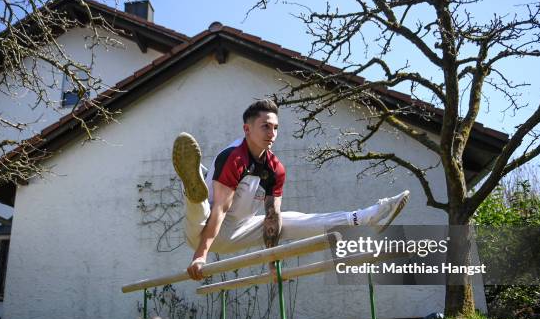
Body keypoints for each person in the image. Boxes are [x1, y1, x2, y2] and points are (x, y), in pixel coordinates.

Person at [172, 99, 410, 281]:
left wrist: (272, 260)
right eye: (265, 127)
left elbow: (272, 220)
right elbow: (221, 210)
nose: (272, 134)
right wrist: (201, 256)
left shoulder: (275, 169)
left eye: (275, 128)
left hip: (240, 231)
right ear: (247, 129)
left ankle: (367, 216)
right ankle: (192, 188)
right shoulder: (234, 157)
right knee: (200, 208)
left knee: (286, 219)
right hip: (204, 231)